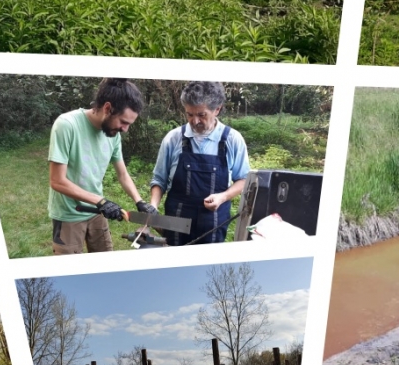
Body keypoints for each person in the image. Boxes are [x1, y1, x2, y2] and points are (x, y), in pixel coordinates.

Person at [47, 78, 154, 255]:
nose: (125, 129)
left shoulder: (114, 135)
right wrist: (101, 201)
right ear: (107, 108)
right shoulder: (67, 125)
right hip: (68, 214)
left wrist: (139, 201)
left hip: (97, 213)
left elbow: (123, 175)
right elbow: (57, 181)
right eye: (123, 122)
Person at [149, 82, 251, 246]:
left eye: (201, 115)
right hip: (177, 219)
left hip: (214, 222)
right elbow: (159, 179)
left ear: (217, 109)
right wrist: (153, 208)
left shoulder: (232, 139)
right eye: (189, 115)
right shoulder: (173, 138)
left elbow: (244, 179)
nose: (194, 121)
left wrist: (223, 196)